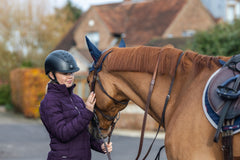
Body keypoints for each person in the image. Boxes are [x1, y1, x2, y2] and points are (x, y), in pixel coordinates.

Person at [40, 50, 112, 160]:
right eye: (65, 73)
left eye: (71, 73)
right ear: (51, 74)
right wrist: (87, 111)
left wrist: (100, 146)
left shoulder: (76, 99)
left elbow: (84, 132)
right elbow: (63, 133)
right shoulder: (49, 102)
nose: (70, 77)